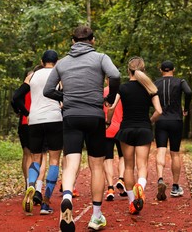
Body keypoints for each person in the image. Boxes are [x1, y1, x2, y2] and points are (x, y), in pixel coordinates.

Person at [44, 25, 120, 231]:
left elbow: (48, 90)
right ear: (92, 40)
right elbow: (115, 76)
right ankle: (96, 216)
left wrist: (66, 97)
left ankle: (67, 195)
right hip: (94, 116)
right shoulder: (101, 58)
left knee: (71, 163)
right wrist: (110, 97)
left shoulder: (62, 63)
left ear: (72, 42)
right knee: (97, 166)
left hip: (71, 117)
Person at [108, 56, 162, 215]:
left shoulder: (123, 88)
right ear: (143, 69)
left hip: (126, 130)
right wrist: (150, 121)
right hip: (144, 129)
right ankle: (141, 186)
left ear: (128, 70)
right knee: (142, 165)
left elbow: (111, 107)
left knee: (129, 166)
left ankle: (132, 201)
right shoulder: (150, 88)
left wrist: (108, 121)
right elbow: (159, 111)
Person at [14, 50, 63, 216]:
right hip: (55, 119)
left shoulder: (32, 75)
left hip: (34, 120)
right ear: (56, 62)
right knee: (54, 160)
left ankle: (31, 186)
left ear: (42, 61)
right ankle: (46, 202)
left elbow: (16, 96)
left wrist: (27, 112)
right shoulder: (59, 74)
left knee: (35, 158)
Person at [154, 60, 192, 200]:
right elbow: (188, 92)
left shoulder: (155, 83)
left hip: (160, 120)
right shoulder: (180, 81)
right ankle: (175, 187)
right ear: (173, 69)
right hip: (176, 120)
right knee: (175, 153)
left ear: (161, 69)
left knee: (161, 150)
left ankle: (160, 179)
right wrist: (186, 108)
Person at [103, 78, 126, 201]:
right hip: (121, 128)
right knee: (123, 156)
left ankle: (110, 188)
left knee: (108, 158)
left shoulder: (102, 92)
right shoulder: (123, 92)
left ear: (107, 80)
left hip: (106, 127)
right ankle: (121, 179)